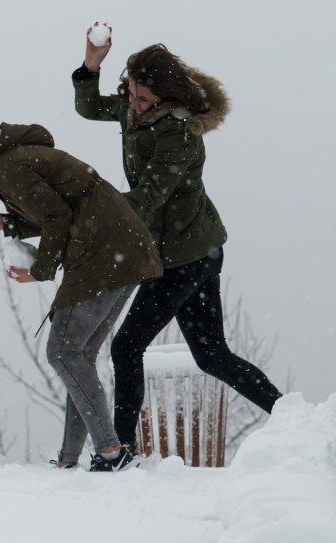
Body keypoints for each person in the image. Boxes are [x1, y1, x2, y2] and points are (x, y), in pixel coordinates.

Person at [72, 31, 284, 453]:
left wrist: (87, 211)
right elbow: (89, 107)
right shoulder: (135, 111)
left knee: (126, 346)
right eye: (131, 93)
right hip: (188, 252)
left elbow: (150, 195)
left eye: (144, 99)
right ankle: (292, 414)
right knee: (212, 356)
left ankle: (119, 450)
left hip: (185, 257)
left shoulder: (179, 132)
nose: (133, 104)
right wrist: (91, 66)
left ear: (165, 97)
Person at [0, 122, 163, 471]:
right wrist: (6, 222)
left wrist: (40, 270)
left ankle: (110, 451)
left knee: (63, 352)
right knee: (78, 355)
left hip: (105, 255)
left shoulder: (7, 168)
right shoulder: (12, 162)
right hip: (123, 251)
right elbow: (56, 212)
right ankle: (72, 458)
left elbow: (57, 216)